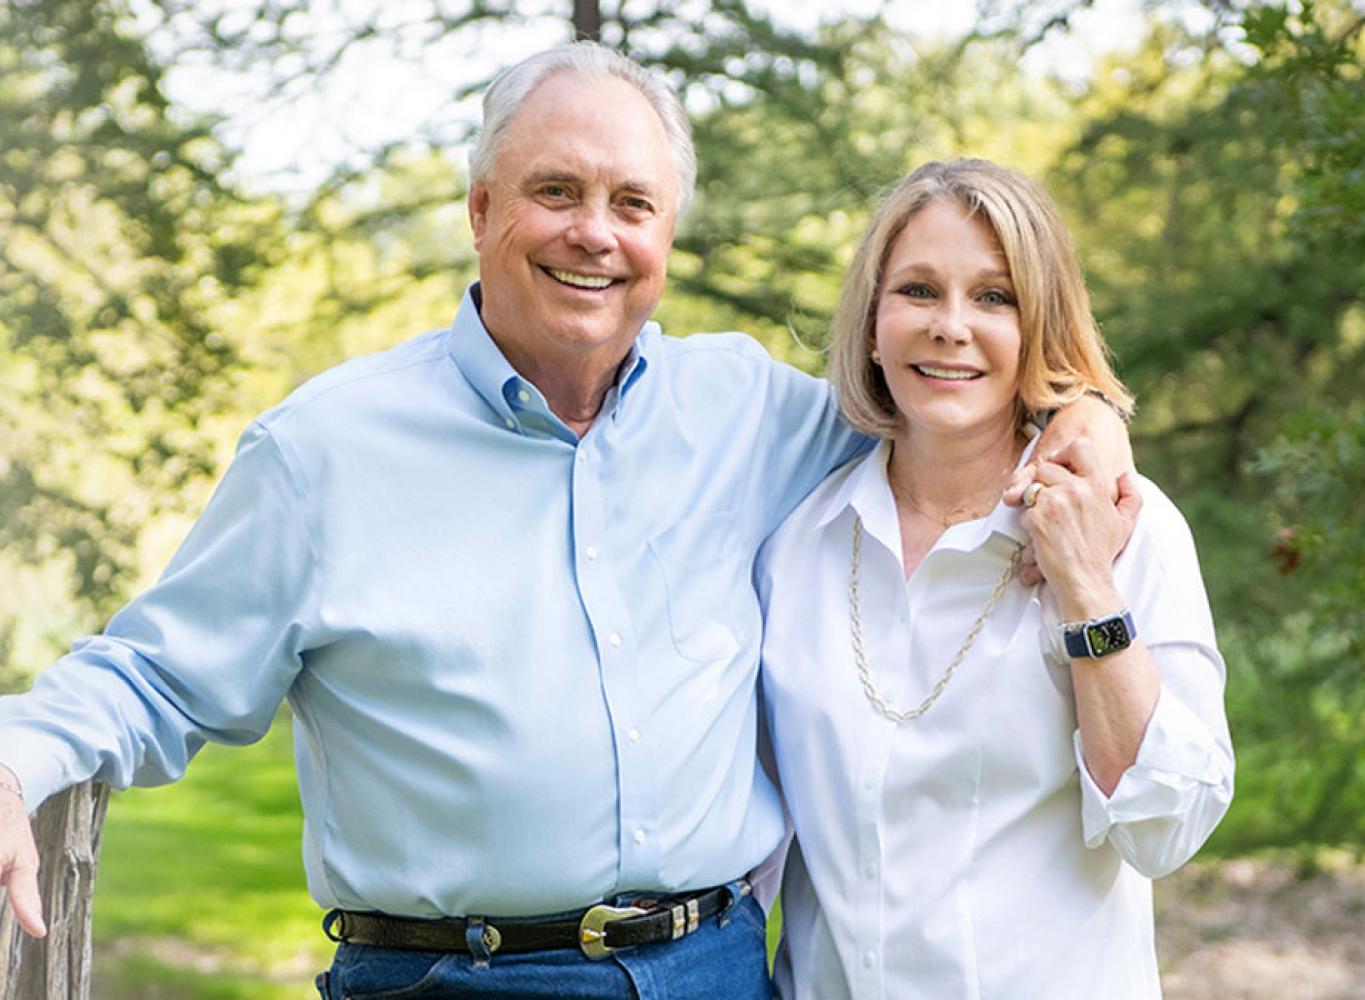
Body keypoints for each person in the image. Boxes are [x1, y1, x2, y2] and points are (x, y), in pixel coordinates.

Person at [0, 48, 1132, 998]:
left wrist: (1084, 411)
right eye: (557, 192)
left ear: (667, 236)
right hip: (452, 979)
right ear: (482, 209)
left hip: (714, 968)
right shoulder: (323, 453)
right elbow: (154, 677)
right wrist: (18, 754)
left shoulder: (755, 414)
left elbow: (950, 405)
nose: (595, 232)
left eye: (632, 204)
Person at [757, 159, 1234, 999]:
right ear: (871, 323)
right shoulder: (798, 544)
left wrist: (1086, 585)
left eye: (994, 297)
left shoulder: (1127, 524)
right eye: (917, 290)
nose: (950, 326)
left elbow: (1166, 828)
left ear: (1040, 327)